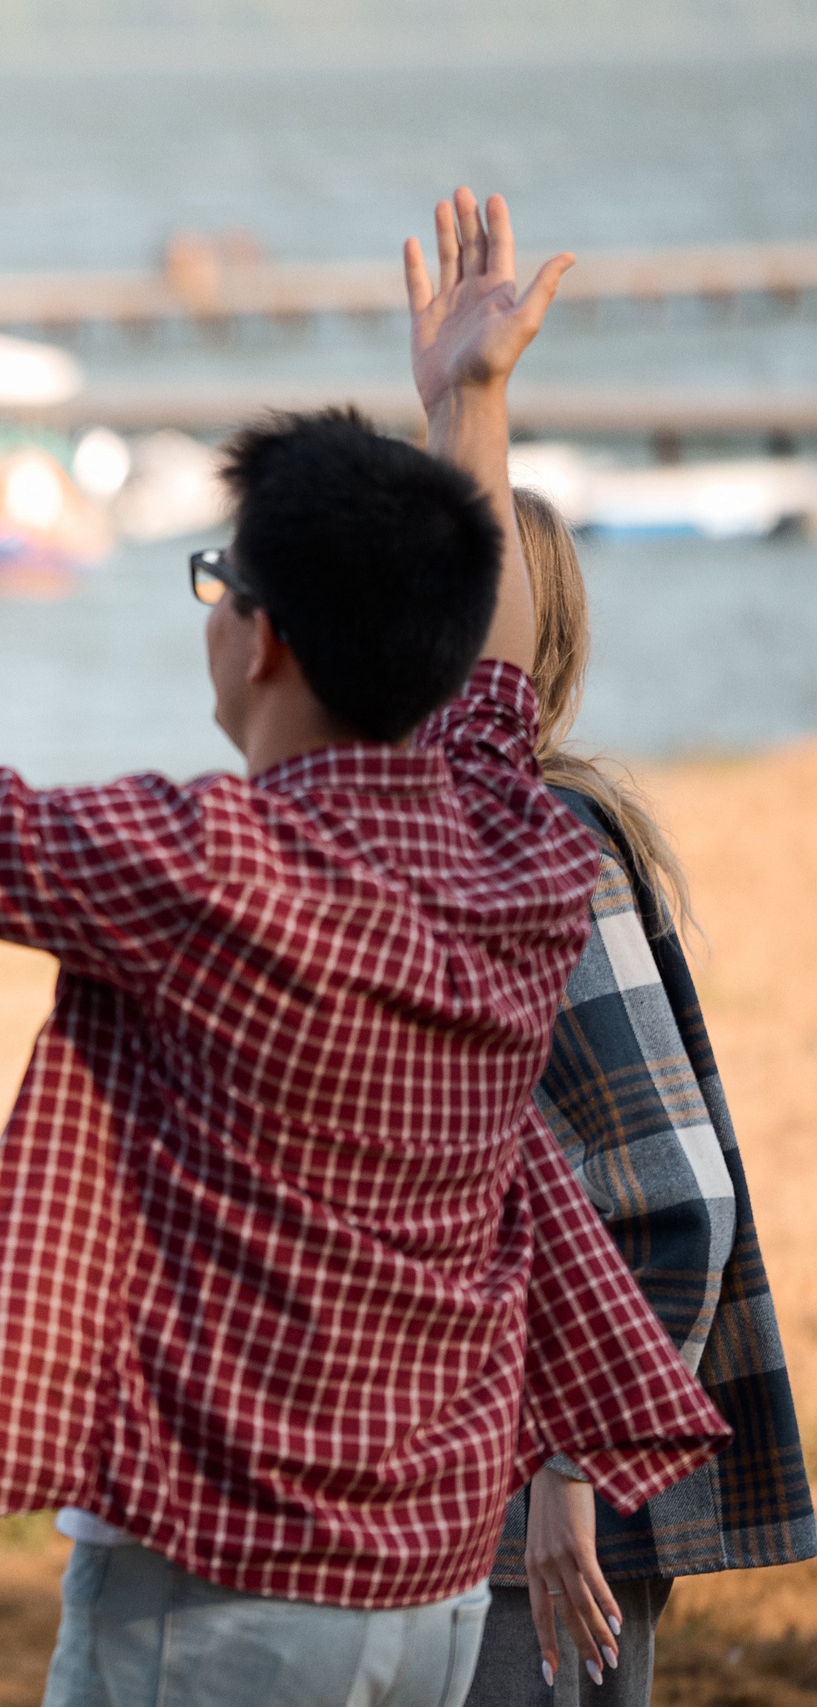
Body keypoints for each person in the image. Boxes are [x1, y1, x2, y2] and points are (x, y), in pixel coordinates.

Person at [0, 172, 733, 1707]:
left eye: (215, 581)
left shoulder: (205, 864)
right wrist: (470, 408)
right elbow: (486, 680)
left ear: (260, 635)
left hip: (227, 1588)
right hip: (432, 1575)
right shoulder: (518, 849)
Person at [461, 491, 817, 1707]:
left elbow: (675, 1192)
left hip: (543, 1520)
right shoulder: (461, 840)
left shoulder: (542, 840)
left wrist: (568, 1463)